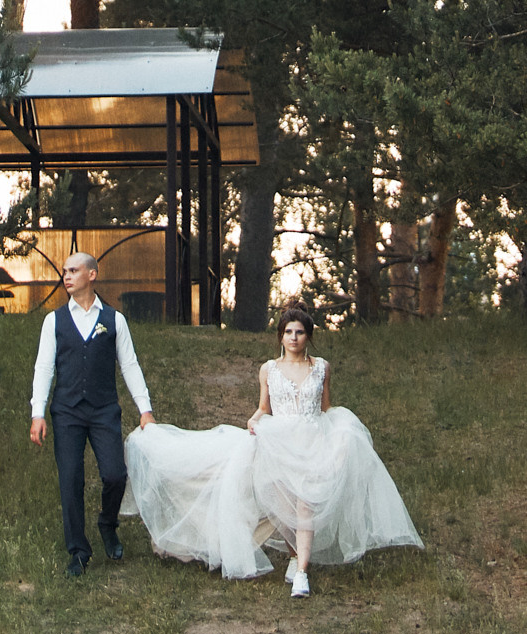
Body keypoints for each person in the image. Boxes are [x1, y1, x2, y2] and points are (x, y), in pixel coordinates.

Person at [123, 303, 421, 596]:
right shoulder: (269, 369)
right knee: (285, 505)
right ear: (280, 336)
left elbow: (326, 408)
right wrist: (254, 420)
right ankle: (295, 557)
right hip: (280, 441)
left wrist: (342, 433)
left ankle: (302, 573)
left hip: (312, 441)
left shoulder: (321, 368)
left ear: (308, 336)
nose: (293, 337)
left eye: (300, 332)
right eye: (288, 331)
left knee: (304, 504)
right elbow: (264, 407)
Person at [28, 251, 155, 578]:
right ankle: (78, 551)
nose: (66, 276)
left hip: (103, 410)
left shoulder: (114, 320)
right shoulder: (53, 320)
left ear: (91, 274)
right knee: (70, 479)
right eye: (65, 271)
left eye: (73, 270)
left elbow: (129, 365)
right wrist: (37, 413)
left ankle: (107, 524)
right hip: (67, 411)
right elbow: (44, 367)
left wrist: (145, 410)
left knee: (115, 474)